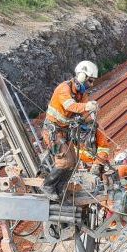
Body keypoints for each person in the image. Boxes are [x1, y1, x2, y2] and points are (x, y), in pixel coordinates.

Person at [41, 61, 99, 200]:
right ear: (82, 76)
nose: (91, 84)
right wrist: (87, 107)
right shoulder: (64, 88)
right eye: (90, 81)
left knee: (74, 162)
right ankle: (48, 186)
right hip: (52, 131)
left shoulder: (81, 93)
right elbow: (70, 106)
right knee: (64, 162)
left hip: (64, 132)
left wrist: (91, 120)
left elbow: (84, 111)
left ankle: (60, 188)